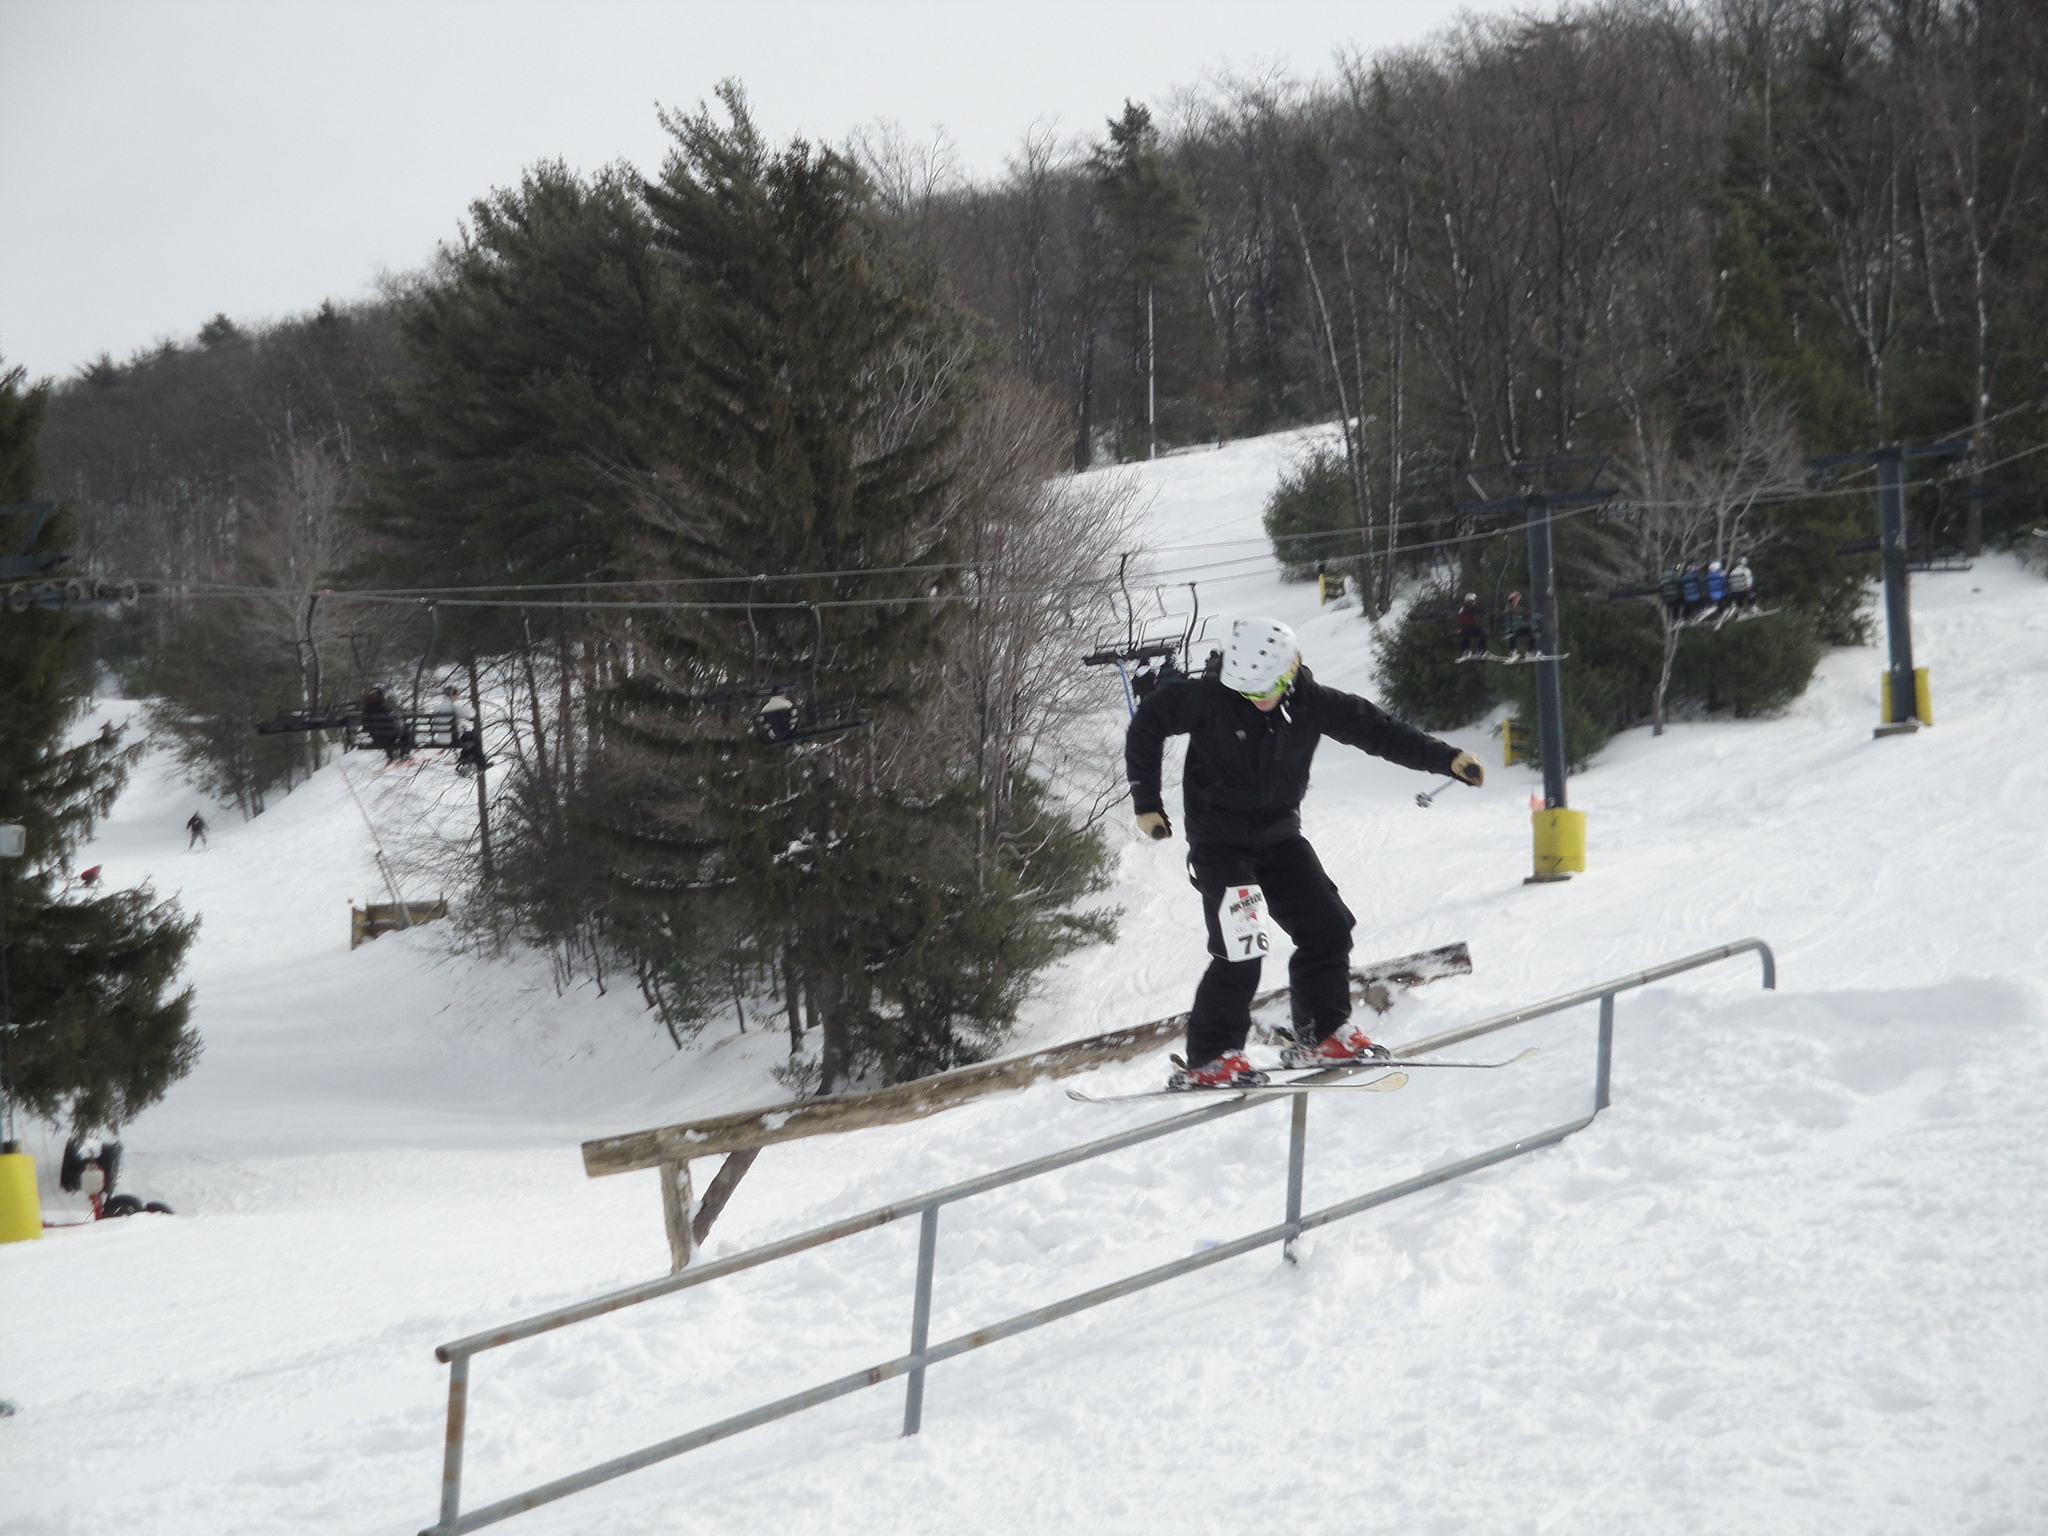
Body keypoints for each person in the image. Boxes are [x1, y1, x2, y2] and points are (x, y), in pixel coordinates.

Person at [1126, 617, 1484, 1090]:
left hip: (1278, 837)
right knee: (1242, 945)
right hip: (1220, 842)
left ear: (1290, 670)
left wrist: (1447, 758)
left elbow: (1381, 732)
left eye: (1266, 690)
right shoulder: (1208, 697)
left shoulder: (1314, 703)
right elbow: (1147, 725)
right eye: (1248, 691)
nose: (1257, 700)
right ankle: (1210, 1057)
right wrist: (1146, 803)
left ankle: (1322, 1032)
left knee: (1328, 926)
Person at [1454, 592, 1487, 658]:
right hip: (1466, 627)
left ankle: (1481, 650)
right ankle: (1466, 650)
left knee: (1483, 633)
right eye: (1473, 601)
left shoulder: (1470, 608)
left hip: (1471, 627)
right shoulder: (1466, 608)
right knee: (1467, 634)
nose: (1474, 603)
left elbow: (1479, 611)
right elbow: (1462, 619)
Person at [1503, 591, 1534, 658]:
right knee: (1514, 635)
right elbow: (1517, 612)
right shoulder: (1510, 607)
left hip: (1518, 627)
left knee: (1532, 632)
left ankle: (1531, 651)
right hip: (1513, 627)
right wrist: (1523, 613)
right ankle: (1513, 651)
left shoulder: (1515, 607)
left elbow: (1520, 612)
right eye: (1516, 599)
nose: (1517, 600)